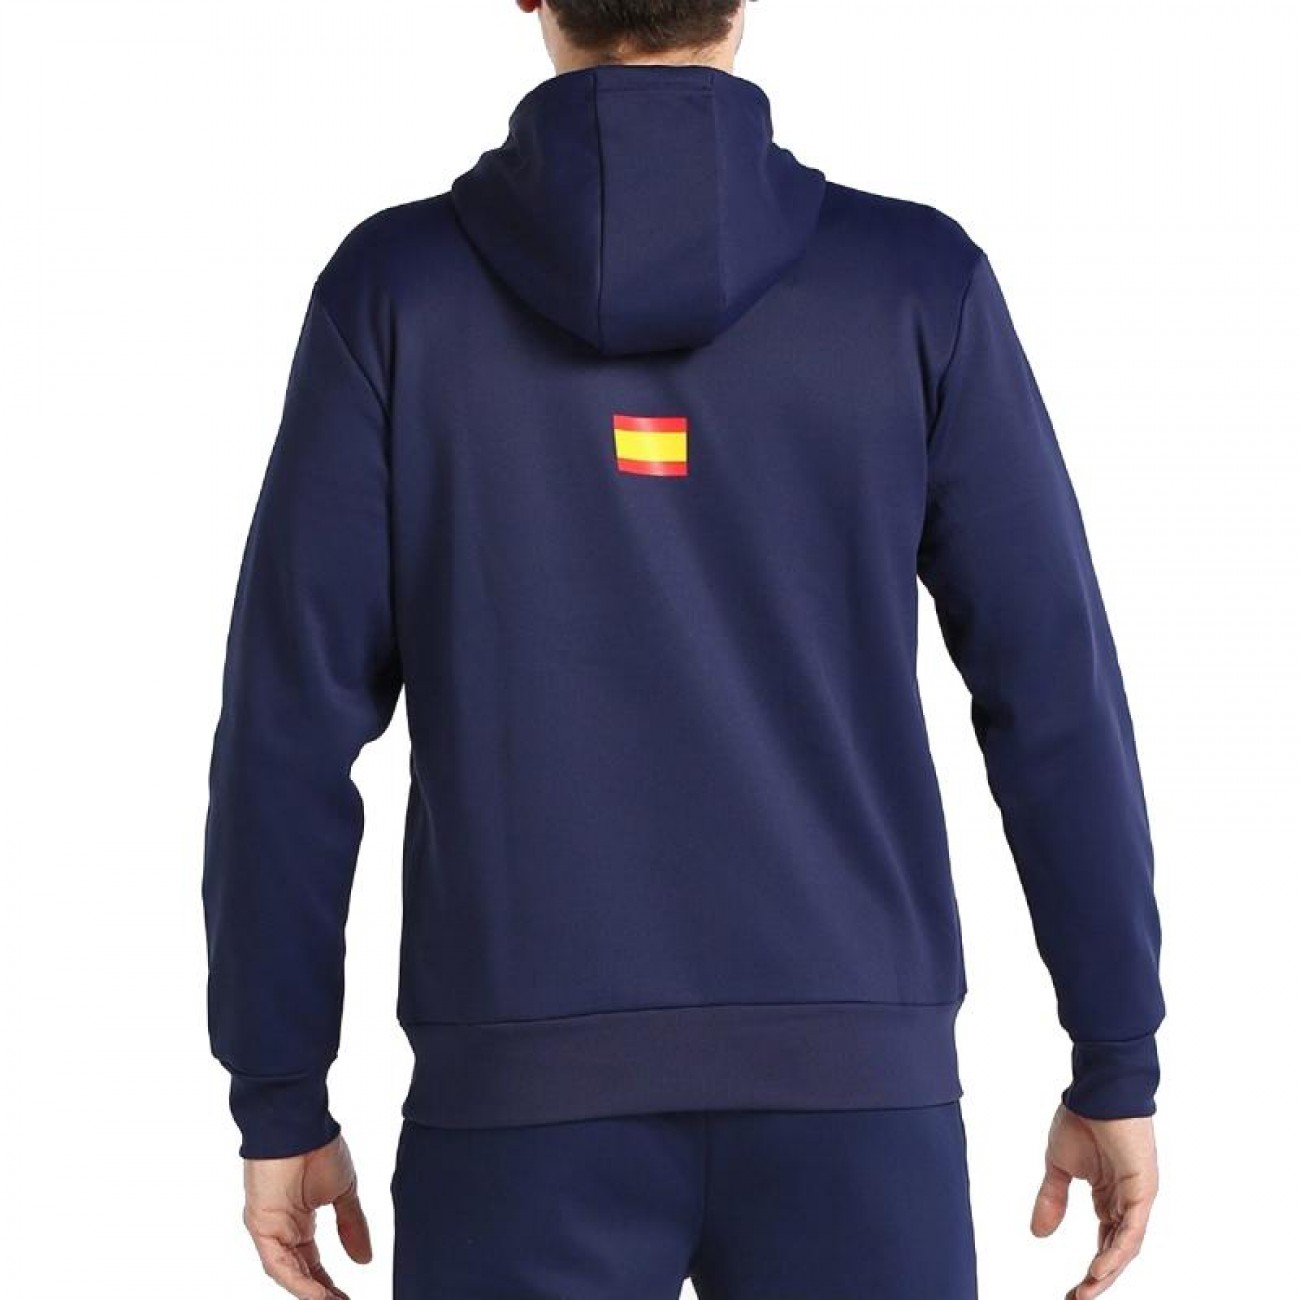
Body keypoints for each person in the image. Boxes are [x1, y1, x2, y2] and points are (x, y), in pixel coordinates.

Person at [201, 2, 1165, 1297]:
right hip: (854, 1099)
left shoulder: (397, 293)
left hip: (518, 1111)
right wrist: (1115, 1054)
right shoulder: (911, 284)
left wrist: (279, 1095)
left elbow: (286, 730)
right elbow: (1054, 695)